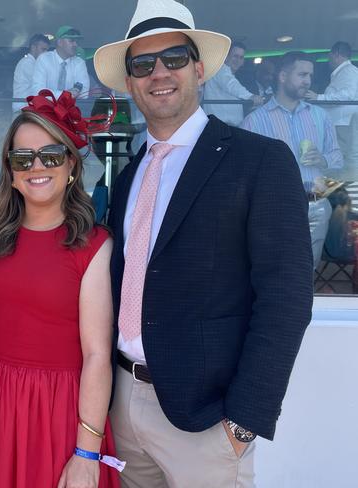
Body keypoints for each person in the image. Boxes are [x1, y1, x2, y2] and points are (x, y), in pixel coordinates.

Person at [93, 0, 313, 487]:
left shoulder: (260, 161)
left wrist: (244, 421)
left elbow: (287, 298)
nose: (159, 73)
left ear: (198, 68)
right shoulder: (128, 177)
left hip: (208, 420)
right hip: (124, 405)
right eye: (142, 64)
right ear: (130, 82)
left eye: (173, 58)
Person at [0, 90, 121, 488]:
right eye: (23, 158)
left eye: (51, 155)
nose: (37, 166)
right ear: (11, 172)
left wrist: (87, 453)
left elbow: (96, 354)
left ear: (70, 163)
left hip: (59, 408)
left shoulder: (92, 244)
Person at [241, 51, 344, 268]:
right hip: (274, 206)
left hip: (315, 203)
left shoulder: (320, 116)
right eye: (302, 74)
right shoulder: (254, 121)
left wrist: (322, 159)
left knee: (308, 272)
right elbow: (243, 173)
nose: (308, 81)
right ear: (283, 76)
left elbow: (337, 160)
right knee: (273, 269)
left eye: (310, 76)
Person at [305, 41, 358, 164]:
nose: (329, 60)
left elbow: (348, 95)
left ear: (336, 55)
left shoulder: (348, 71)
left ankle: (343, 181)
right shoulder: (345, 72)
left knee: (343, 156)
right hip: (341, 121)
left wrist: (318, 98)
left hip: (343, 122)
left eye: (330, 56)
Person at [203, 40, 263, 126]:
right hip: (220, 128)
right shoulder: (219, 70)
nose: (238, 60)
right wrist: (250, 96)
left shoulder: (228, 74)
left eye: (241, 57)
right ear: (226, 57)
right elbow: (231, 85)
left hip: (227, 128)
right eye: (235, 56)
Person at [32, 25, 90, 99]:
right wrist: (65, 95)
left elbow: (84, 94)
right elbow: (37, 91)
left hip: (70, 110)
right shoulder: (44, 59)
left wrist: (52, 95)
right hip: (45, 109)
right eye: (71, 41)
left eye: (76, 41)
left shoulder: (79, 63)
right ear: (59, 42)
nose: (75, 45)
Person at [13, 33, 51, 112]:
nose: (46, 53)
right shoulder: (27, 63)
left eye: (47, 50)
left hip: (27, 109)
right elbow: (44, 83)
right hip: (23, 109)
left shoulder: (33, 63)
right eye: (43, 49)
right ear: (33, 47)